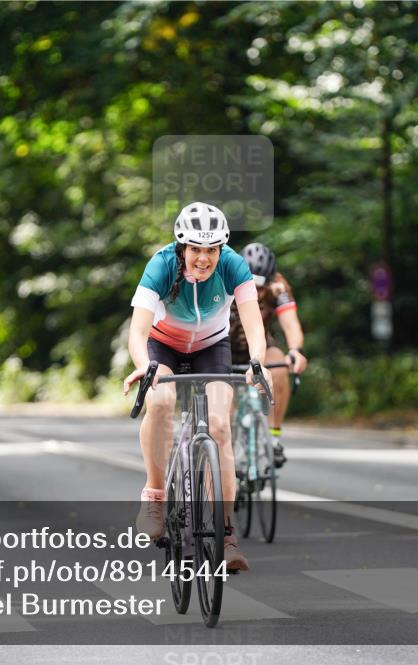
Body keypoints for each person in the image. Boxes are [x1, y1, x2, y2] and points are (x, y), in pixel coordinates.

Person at [123, 202, 272, 572]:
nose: (203, 259)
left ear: (221, 249)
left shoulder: (234, 266)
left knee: (220, 426)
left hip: (212, 346)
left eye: (211, 250)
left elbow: (254, 325)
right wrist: (145, 366)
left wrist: (258, 362)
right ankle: (155, 496)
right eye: (195, 249)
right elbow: (138, 331)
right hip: (164, 345)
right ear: (182, 248)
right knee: (160, 403)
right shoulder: (161, 265)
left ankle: (226, 535)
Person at [229, 243, 308, 467]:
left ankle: (273, 437)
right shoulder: (225, 281)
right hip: (224, 347)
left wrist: (295, 351)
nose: (256, 291)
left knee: (281, 366)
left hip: (260, 348)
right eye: (251, 284)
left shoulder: (278, 287)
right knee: (225, 406)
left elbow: (290, 323)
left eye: (261, 285)